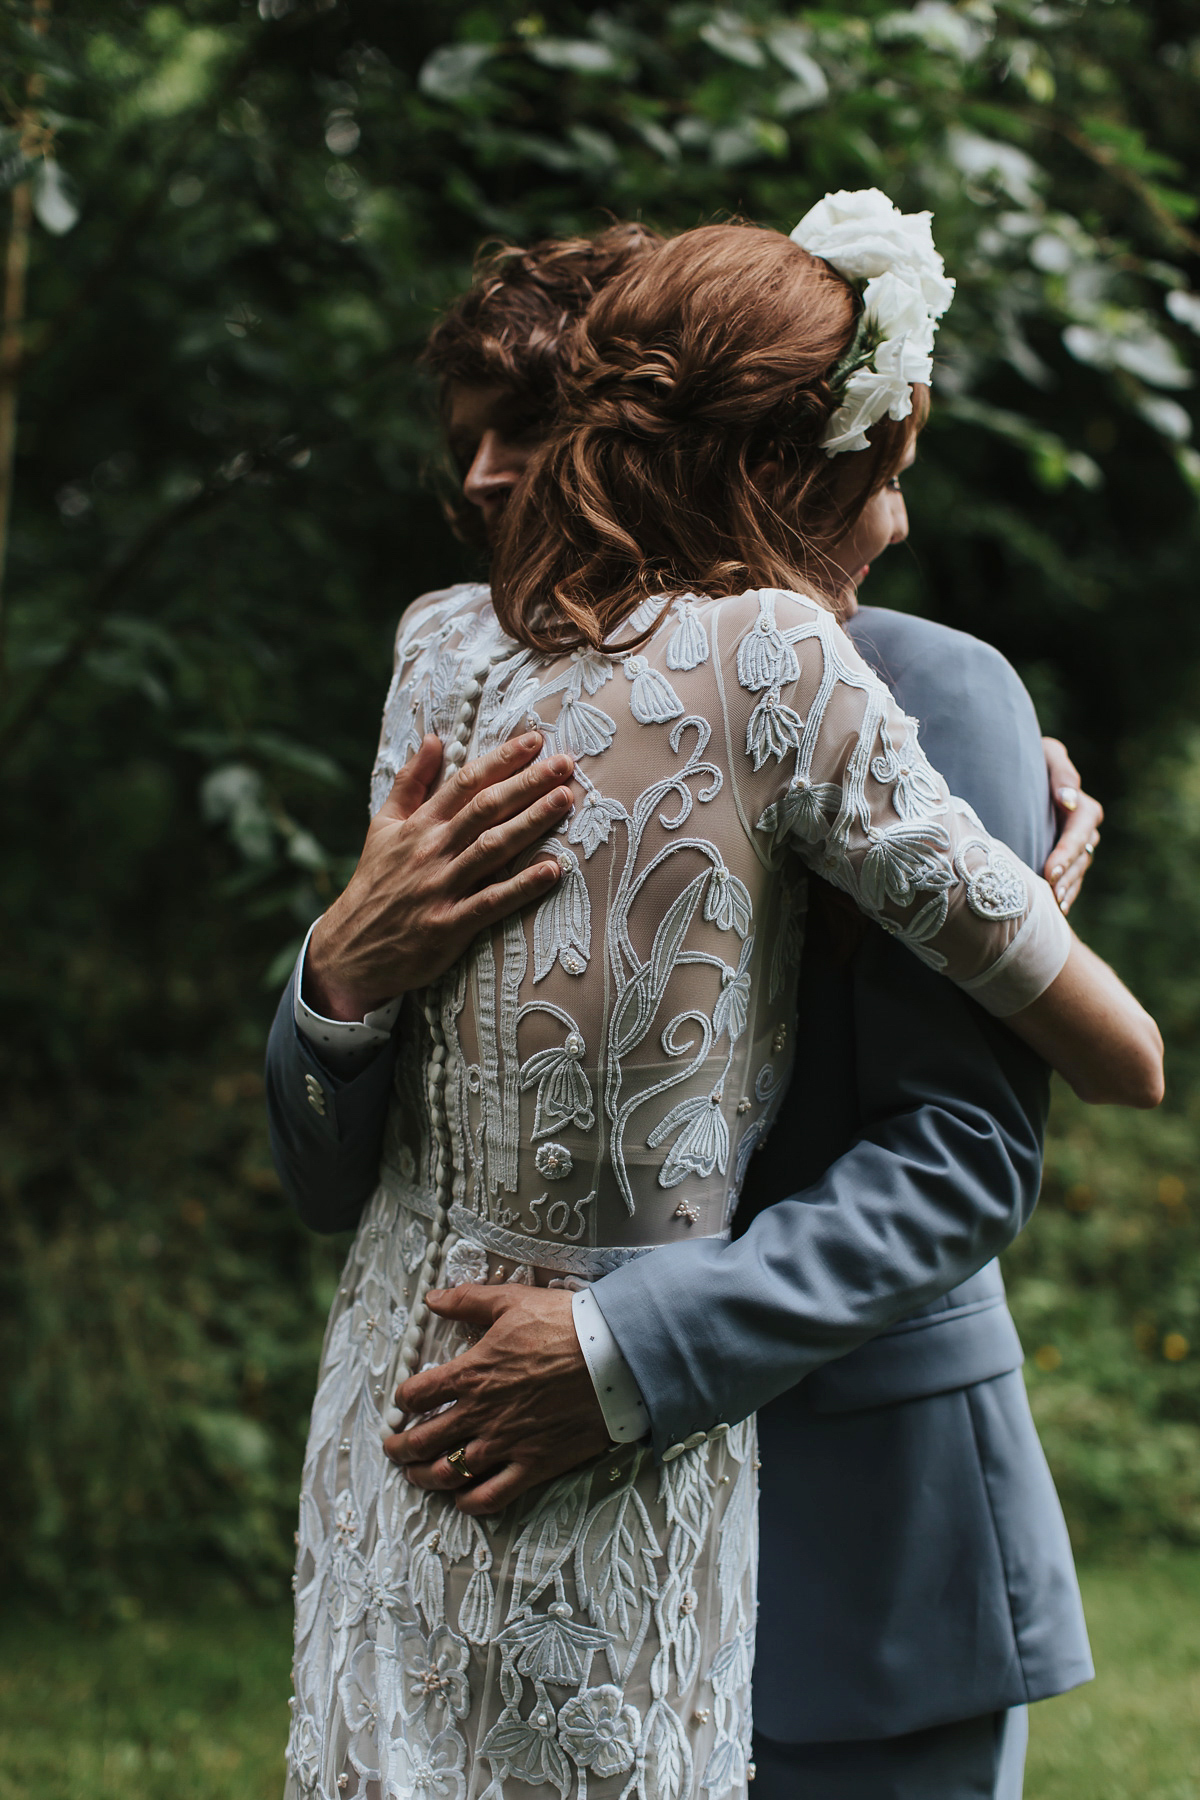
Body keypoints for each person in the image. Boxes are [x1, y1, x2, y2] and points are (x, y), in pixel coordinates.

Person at [272, 200, 1161, 1800]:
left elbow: (959, 1150)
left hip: (860, 1560)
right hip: (480, 1526)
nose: (483, 478)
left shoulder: (926, 693)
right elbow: (352, 1164)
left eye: (524, 431)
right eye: (465, 438)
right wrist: (341, 971)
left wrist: (624, 1353)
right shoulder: (455, 683)